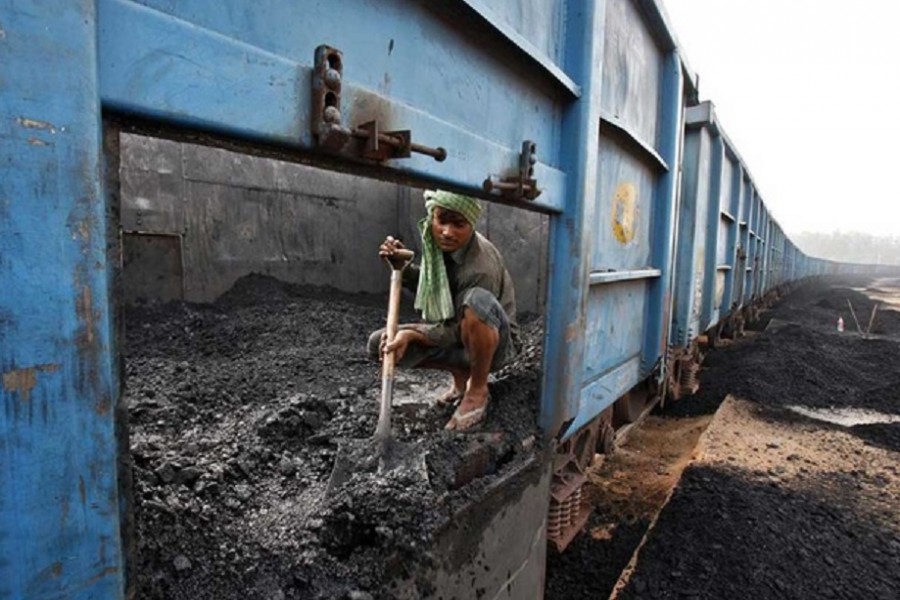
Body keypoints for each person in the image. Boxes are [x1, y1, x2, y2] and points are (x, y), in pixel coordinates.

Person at [367, 189, 519, 431]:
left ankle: (477, 389)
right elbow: (435, 286)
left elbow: (467, 321)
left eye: (458, 224)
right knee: (380, 344)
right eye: (442, 221)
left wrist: (415, 333)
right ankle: (461, 375)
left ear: (471, 224)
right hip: (459, 332)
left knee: (476, 302)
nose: (447, 232)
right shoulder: (436, 247)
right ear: (432, 218)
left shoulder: (480, 267)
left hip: (496, 342)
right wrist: (402, 269)